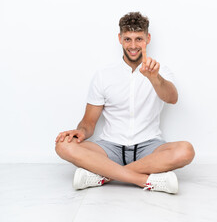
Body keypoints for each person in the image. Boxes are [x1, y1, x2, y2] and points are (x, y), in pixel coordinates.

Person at [55, 12, 195, 194]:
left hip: (149, 147)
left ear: (148, 38)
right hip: (109, 147)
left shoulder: (160, 71)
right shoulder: (103, 75)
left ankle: (104, 175)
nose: (133, 45)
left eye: (139, 39)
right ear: (120, 39)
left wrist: (154, 78)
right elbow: (89, 122)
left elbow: (172, 98)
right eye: (128, 39)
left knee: (186, 150)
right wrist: (79, 132)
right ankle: (144, 180)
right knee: (63, 145)